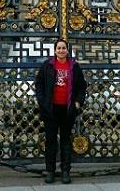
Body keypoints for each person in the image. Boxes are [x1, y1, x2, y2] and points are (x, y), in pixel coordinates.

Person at [34, 38, 87, 184]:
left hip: (67, 109)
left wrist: (77, 103)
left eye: (64, 48)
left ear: (67, 50)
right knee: (51, 141)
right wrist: (42, 102)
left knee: (65, 141)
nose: (61, 51)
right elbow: (39, 84)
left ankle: (65, 171)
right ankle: (50, 171)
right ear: (55, 50)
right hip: (51, 110)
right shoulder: (48, 65)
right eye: (59, 48)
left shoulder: (74, 66)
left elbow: (82, 86)